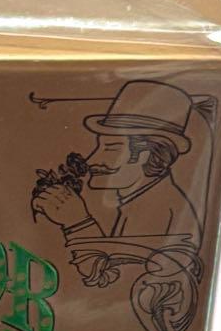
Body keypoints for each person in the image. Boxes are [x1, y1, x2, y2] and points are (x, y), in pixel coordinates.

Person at [33, 80, 202, 247]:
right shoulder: (142, 202)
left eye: (111, 148)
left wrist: (77, 221)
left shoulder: (160, 209)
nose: (91, 161)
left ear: (144, 154)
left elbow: (117, 266)